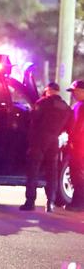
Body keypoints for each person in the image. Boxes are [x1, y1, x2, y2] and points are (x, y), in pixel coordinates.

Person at [20, 82, 72, 212]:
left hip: (39, 140)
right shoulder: (65, 107)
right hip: (54, 141)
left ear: (48, 90)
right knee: (52, 172)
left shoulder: (42, 102)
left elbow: (32, 118)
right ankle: (50, 203)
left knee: (33, 170)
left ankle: (30, 202)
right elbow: (69, 126)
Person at [66, 80, 84, 212]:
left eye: (74, 91)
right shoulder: (79, 105)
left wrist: (72, 141)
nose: (73, 94)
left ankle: (78, 203)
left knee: (77, 174)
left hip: (79, 146)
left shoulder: (81, 106)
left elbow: (77, 127)